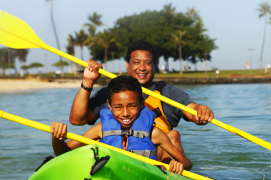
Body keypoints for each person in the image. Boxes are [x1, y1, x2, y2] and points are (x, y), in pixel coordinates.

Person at [69, 40, 214, 164]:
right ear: (127, 64)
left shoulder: (168, 92)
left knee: (173, 135)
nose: (142, 68)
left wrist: (200, 112)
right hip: (118, 156)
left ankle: (170, 173)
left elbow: (192, 111)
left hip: (157, 160)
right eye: (136, 62)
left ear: (154, 65)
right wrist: (88, 81)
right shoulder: (113, 92)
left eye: (147, 63)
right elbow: (77, 120)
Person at [52, 76, 192, 174]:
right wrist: (56, 138)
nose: (125, 113)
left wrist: (178, 165)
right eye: (118, 107)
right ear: (110, 106)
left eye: (131, 106)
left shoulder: (154, 133)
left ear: (141, 104)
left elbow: (185, 160)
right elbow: (62, 152)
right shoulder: (100, 129)